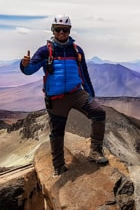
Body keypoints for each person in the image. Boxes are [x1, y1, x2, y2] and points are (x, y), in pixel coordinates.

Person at [20, 15, 108, 176]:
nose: (61, 32)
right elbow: (30, 70)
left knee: (99, 113)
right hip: (56, 98)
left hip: (76, 93)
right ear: (53, 30)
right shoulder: (45, 51)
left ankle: (95, 151)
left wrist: (91, 95)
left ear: (69, 31)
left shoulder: (76, 50)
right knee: (57, 131)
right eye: (58, 29)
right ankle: (59, 166)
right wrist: (24, 65)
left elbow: (84, 74)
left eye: (65, 30)